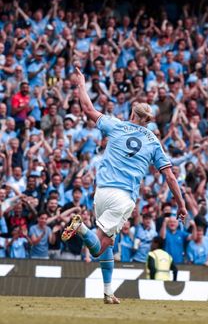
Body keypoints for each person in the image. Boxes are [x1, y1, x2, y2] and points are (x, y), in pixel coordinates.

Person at [61, 67, 187, 303]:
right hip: (123, 197)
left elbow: (87, 108)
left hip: (102, 193)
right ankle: (80, 229)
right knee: (98, 246)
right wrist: (181, 204)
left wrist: (80, 82)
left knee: (109, 243)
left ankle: (108, 293)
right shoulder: (153, 142)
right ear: (147, 121)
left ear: (132, 115)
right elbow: (170, 177)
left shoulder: (116, 125)